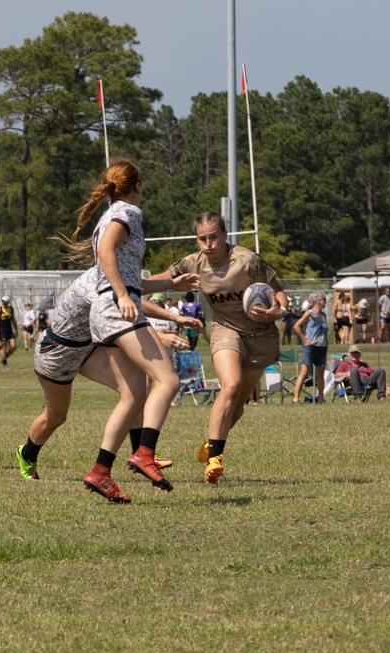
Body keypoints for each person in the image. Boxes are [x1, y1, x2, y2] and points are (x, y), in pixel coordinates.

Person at [64, 160, 187, 502]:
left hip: (108, 311)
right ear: (137, 185)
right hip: (116, 309)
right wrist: (121, 295)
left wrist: (172, 283)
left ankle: (100, 472)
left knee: (134, 395)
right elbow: (106, 254)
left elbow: (134, 280)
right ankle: (144, 453)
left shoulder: (110, 215)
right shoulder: (128, 212)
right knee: (169, 381)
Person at [16, 267, 200, 484]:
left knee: (135, 388)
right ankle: (27, 454)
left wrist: (171, 287)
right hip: (57, 352)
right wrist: (161, 332)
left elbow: (136, 289)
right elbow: (126, 308)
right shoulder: (98, 282)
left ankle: (142, 454)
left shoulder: (111, 275)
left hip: (87, 348)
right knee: (56, 416)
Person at [166, 211, 288, 484]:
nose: (208, 244)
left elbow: (279, 294)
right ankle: (215, 460)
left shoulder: (248, 261)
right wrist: (128, 285)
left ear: (225, 235)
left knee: (237, 407)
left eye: (213, 237)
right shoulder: (193, 263)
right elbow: (163, 280)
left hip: (259, 334)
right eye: (202, 239)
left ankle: (212, 441)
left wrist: (278, 311)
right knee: (230, 386)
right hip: (225, 330)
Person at [291, 293, 328, 404]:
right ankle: (295, 398)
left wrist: (325, 339)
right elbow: (296, 326)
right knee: (305, 372)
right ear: (318, 300)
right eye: (324, 299)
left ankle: (320, 399)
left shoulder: (324, 315)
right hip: (310, 346)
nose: (325, 301)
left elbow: (326, 329)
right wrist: (305, 339)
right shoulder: (309, 313)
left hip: (321, 346)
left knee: (320, 373)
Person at [0, 295, 18, 370]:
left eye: (5, 302)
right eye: (3, 302)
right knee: (4, 347)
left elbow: (13, 319)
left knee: (13, 347)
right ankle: (5, 364)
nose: (4, 303)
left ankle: (3, 358)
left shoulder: (10, 309)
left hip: (9, 331)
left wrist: (16, 329)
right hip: (2, 331)